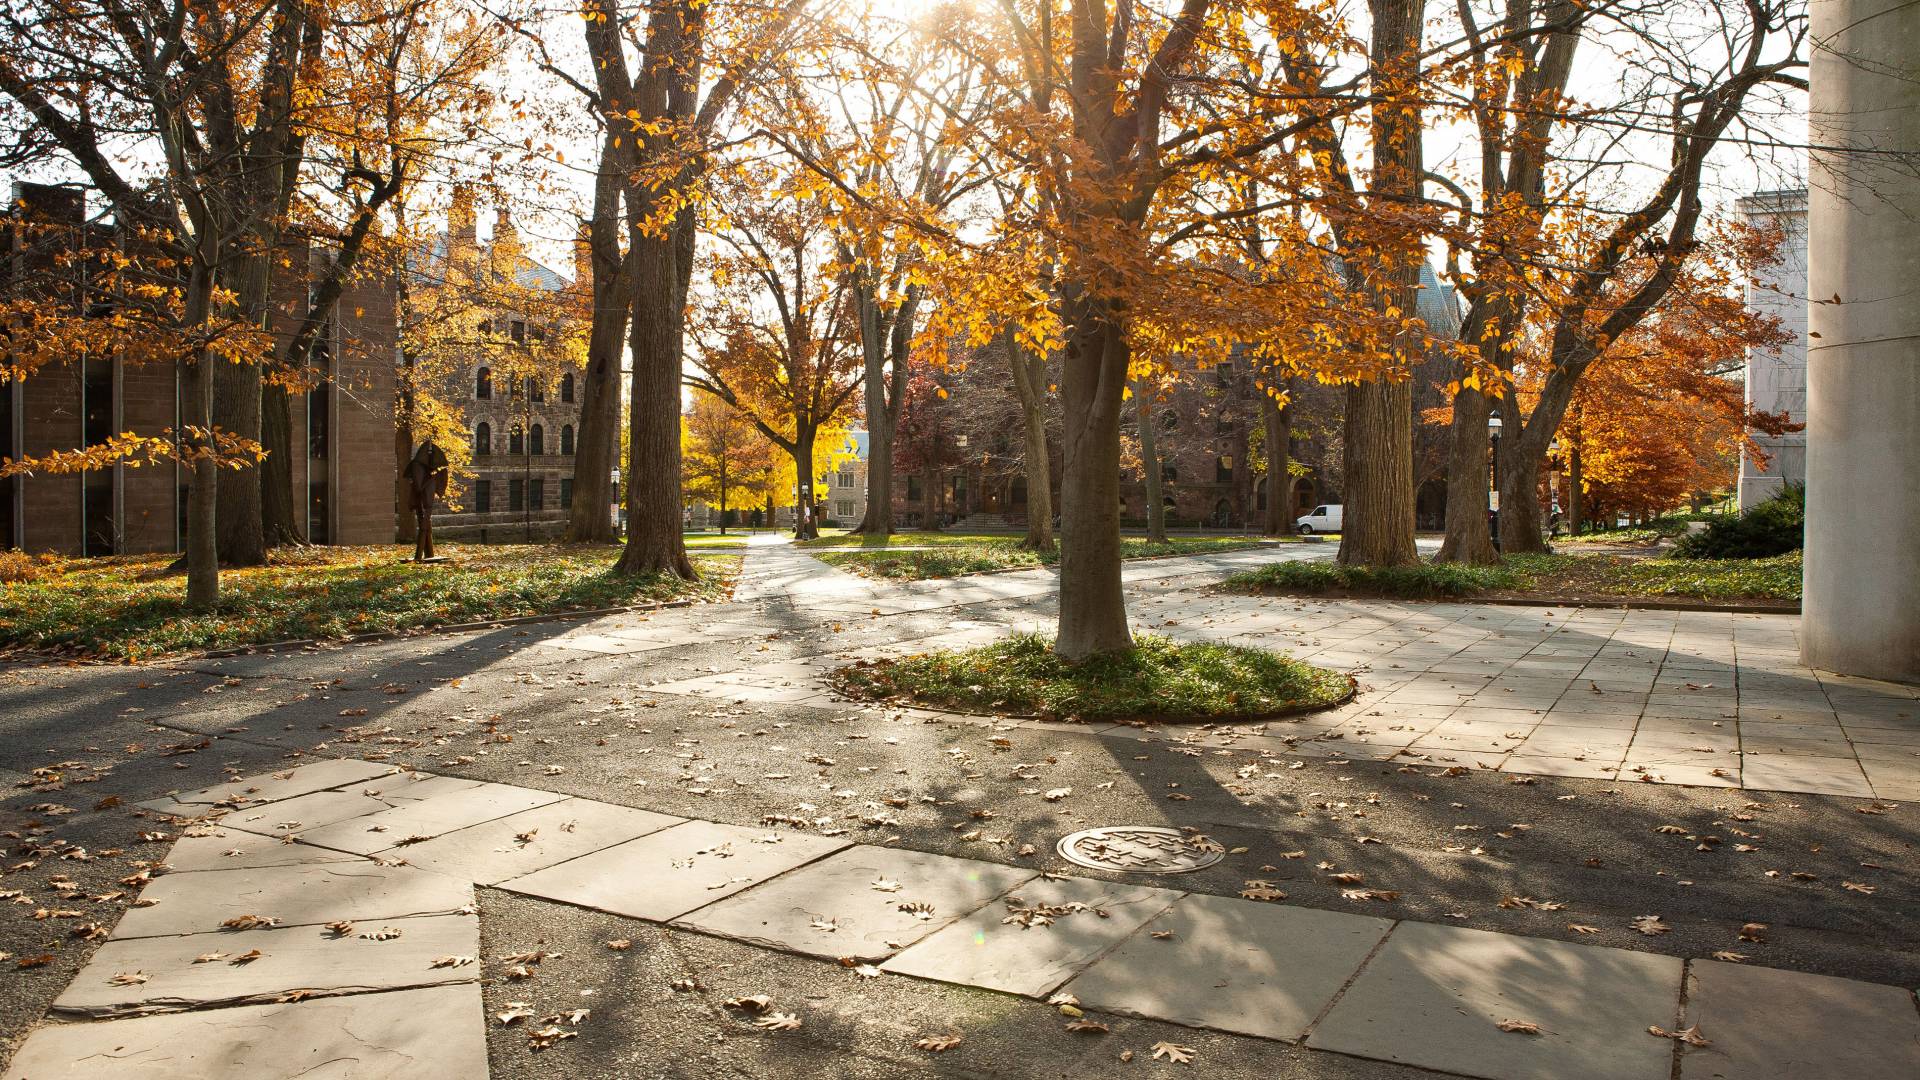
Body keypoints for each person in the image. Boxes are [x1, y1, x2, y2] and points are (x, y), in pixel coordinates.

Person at [404, 442, 450, 561]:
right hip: (421, 493)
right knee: (423, 522)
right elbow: (417, 486)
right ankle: (423, 553)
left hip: (425, 495)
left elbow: (428, 505)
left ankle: (425, 553)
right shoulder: (418, 467)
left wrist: (426, 518)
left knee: (425, 525)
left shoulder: (431, 480)